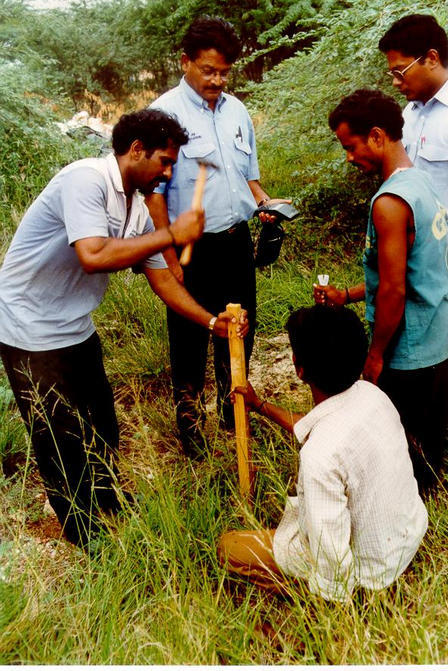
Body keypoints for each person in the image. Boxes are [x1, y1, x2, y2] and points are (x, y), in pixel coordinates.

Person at [0, 108, 248, 548]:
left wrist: (213, 322)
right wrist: (170, 234)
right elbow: (93, 255)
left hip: (75, 324)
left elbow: (163, 279)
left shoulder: (134, 205)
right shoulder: (86, 180)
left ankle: (107, 500)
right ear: (136, 150)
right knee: (59, 435)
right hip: (28, 326)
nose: (169, 173)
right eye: (165, 162)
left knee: (101, 425)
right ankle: (85, 533)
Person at [147, 15, 289, 457]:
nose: (217, 80)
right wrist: (168, 256)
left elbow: (249, 178)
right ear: (185, 61)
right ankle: (191, 427)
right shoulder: (163, 114)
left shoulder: (237, 111)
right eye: (208, 70)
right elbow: (153, 196)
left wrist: (267, 205)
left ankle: (236, 412)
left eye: (225, 72)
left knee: (240, 330)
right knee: (189, 336)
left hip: (235, 241)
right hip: (189, 250)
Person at [218, 305, 427, 602]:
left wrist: (332, 611)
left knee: (229, 547)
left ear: (298, 368)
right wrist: (260, 405)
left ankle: (302, 593)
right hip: (405, 542)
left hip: (370, 576)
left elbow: (331, 560)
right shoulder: (374, 396)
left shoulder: (320, 456)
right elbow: (313, 424)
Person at [314, 89, 448, 492]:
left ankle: (407, 521)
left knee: (402, 453)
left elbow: (393, 290)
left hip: (408, 352)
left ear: (376, 136)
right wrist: (348, 296)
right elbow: (410, 269)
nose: (350, 158)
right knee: (429, 440)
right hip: (438, 339)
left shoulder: (389, 203)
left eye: (350, 147)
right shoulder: (422, 181)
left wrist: (375, 356)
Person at [379, 14, 448, 205]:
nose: (395, 82)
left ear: (432, 58)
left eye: (400, 72)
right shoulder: (409, 114)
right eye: (392, 74)